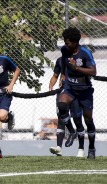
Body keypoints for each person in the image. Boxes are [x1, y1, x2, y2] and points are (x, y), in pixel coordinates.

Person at [55, 27, 96, 159]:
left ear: (75, 42)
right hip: (70, 87)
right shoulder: (64, 50)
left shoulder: (85, 53)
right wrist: (62, 75)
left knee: (88, 119)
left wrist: (76, 67)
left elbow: (93, 71)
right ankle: (71, 131)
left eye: (67, 43)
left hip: (84, 90)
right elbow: (64, 63)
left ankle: (91, 147)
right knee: (61, 104)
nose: (65, 45)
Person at [49, 57, 85, 157]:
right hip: (63, 92)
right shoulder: (60, 60)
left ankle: (81, 149)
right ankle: (59, 148)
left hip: (77, 92)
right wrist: (51, 85)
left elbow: (87, 75)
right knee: (61, 117)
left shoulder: (81, 59)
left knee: (78, 120)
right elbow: (55, 75)